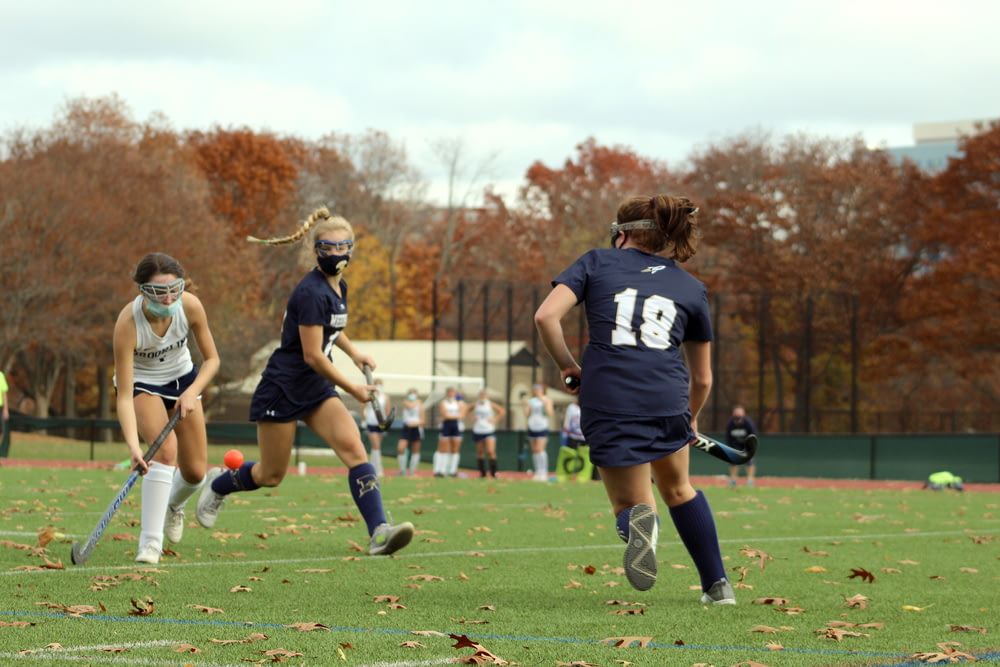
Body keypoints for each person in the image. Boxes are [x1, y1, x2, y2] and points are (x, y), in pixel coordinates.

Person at [534, 193, 735, 604]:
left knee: (631, 503)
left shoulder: (595, 261)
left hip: (610, 396)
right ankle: (718, 586)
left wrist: (568, 366)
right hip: (669, 398)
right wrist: (690, 418)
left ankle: (639, 524)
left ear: (621, 233)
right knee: (679, 488)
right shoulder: (691, 287)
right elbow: (703, 377)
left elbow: (545, 317)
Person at [196, 207, 413, 555]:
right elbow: (313, 355)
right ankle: (220, 483)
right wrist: (352, 388)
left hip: (315, 387)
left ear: (352, 248)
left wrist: (355, 354)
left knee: (356, 452)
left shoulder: (338, 286)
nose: (337, 254)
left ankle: (379, 532)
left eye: (344, 247)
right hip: (283, 388)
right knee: (270, 475)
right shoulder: (311, 292)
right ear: (316, 251)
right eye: (329, 247)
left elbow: (332, 330)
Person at [113, 253, 221, 564]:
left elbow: (212, 360)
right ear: (142, 291)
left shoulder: (190, 306)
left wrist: (192, 393)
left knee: (196, 473)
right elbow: (123, 396)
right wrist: (134, 447)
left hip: (184, 381)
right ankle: (150, 544)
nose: (169, 297)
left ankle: (174, 505)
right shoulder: (128, 323)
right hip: (143, 384)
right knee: (164, 452)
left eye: (174, 288)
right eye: (159, 291)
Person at [471, 389, 506, 478]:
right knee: (480, 452)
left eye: (484, 395)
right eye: (481, 395)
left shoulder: (490, 404)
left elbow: (502, 411)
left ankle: (494, 472)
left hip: (488, 430)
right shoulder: (476, 404)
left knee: (491, 451)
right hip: (478, 430)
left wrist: (495, 419)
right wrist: (471, 418)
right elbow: (466, 410)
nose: (482, 397)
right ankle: (482, 473)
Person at [557, 399, 594, 483]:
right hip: (573, 436)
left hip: (585, 437)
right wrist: (565, 434)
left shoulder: (590, 405)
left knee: (585, 455)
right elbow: (567, 421)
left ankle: (583, 476)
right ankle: (565, 475)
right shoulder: (572, 407)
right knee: (570, 455)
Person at [433, 387, 467, 477]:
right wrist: (452, 416)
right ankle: (439, 470)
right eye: (449, 392)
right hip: (446, 426)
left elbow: (462, 415)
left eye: (452, 392)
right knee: (442, 448)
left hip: (456, 427)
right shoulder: (443, 403)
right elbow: (445, 414)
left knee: (455, 448)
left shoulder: (459, 404)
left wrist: (448, 416)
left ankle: (452, 471)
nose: (451, 394)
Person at [524, 383, 554, 481]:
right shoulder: (531, 401)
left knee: (540, 449)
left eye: (539, 389)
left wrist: (544, 403)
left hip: (542, 426)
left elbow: (550, 413)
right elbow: (527, 414)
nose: (537, 391)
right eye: (535, 389)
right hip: (532, 426)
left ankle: (543, 472)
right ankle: (537, 471)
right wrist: (526, 405)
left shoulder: (547, 400)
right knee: (535, 450)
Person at [363, 378, 391, 477]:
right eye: (377, 384)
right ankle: (378, 469)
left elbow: (387, 411)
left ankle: (372, 467)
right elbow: (363, 408)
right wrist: (365, 418)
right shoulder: (369, 396)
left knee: (377, 447)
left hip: (381, 423)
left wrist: (386, 423)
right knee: (376, 446)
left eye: (380, 384)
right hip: (371, 422)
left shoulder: (385, 397)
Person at [725, 405, 758, 487]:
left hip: (747, 445)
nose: (738, 416)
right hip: (735, 445)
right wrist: (731, 449)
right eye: (736, 413)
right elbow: (728, 437)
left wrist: (750, 448)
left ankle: (750, 480)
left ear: (743, 414)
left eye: (739, 413)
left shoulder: (748, 423)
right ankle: (733, 480)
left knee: (750, 461)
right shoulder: (730, 424)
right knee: (733, 461)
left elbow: (753, 436)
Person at [396, 388, 425, 476]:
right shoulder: (406, 402)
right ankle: (402, 470)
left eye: (414, 394)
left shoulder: (421, 406)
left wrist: (415, 424)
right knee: (401, 448)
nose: (412, 396)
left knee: (415, 450)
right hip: (406, 427)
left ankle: (412, 471)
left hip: (416, 428)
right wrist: (418, 402)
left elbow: (423, 420)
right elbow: (410, 406)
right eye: (411, 394)